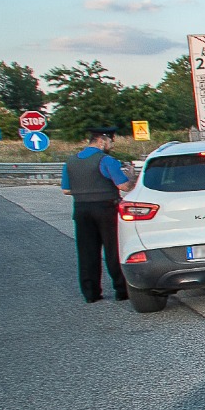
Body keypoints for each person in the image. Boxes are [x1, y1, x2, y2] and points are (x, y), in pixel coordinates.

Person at [61, 126, 135, 302]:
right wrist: (132, 177)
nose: (111, 145)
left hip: (81, 210)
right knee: (113, 249)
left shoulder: (70, 162)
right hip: (106, 209)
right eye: (110, 141)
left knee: (87, 252)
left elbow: (66, 189)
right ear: (102, 141)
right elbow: (123, 186)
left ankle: (91, 293)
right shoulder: (106, 160)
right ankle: (121, 290)